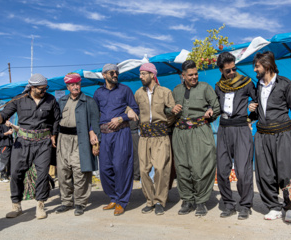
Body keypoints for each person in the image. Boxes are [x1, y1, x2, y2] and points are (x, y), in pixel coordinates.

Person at [248, 51, 291, 222]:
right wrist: (251, 114)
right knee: (265, 174)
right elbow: (259, 111)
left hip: (284, 134)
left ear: (267, 65)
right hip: (262, 136)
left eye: (257, 66)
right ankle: (274, 207)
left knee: (286, 173)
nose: (254, 69)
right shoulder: (257, 86)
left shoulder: (285, 84)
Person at [0, 73, 60, 219]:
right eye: (41, 89)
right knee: (15, 173)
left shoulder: (51, 100)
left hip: (43, 143)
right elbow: (3, 116)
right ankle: (16, 205)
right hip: (22, 142)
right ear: (32, 87)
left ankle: (40, 204)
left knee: (42, 174)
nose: (44, 91)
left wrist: (53, 135)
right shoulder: (19, 99)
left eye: (45, 88)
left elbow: (56, 120)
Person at [172, 60, 220, 216]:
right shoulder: (176, 90)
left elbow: (216, 106)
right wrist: (170, 109)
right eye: (190, 75)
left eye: (195, 74)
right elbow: (167, 109)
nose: (194, 77)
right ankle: (187, 200)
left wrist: (211, 112)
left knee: (200, 168)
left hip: (200, 131)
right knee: (182, 168)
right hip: (180, 133)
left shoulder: (205, 87)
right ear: (183, 75)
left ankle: (201, 201)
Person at [214, 52, 257, 220]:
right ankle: (228, 204)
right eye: (228, 71)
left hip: (241, 129)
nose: (232, 73)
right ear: (221, 70)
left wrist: (250, 118)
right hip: (223, 129)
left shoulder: (246, 83)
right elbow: (215, 107)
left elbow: (258, 102)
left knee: (243, 170)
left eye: (233, 69)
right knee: (223, 170)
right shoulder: (218, 87)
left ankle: (245, 205)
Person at [93, 63, 139, 216]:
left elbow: (135, 110)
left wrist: (121, 118)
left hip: (121, 133)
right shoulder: (98, 93)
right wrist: (93, 135)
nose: (115, 74)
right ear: (104, 75)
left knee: (121, 167)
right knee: (105, 169)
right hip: (105, 135)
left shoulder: (125, 90)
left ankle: (122, 201)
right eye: (111, 72)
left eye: (116, 72)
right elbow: (94, 115)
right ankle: (113, 197)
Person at [55, 73, 101, 216]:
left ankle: (80, 203)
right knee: (63, 172)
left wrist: (94, 139)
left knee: (80, 171)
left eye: (77, 84)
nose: (75, 87)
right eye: (72, 85)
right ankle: (66, 202)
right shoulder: (61, 101)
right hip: (63, 139)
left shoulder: (89, 101)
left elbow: (95, 122)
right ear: (68, 87)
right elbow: (55, 120)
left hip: (80, 139)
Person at [134, 63, 177, 215]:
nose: (141, 77)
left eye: (143, 74)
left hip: (160, 136)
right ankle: (150, 200)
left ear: (152, 75)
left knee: (160, 169)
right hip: (144, 137)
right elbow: (133, 109)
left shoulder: (165, 92)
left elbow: (173, 112)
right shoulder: (138, 93)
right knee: (143, 170)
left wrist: (164, 125)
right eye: (140, 74)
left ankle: (159, 201)